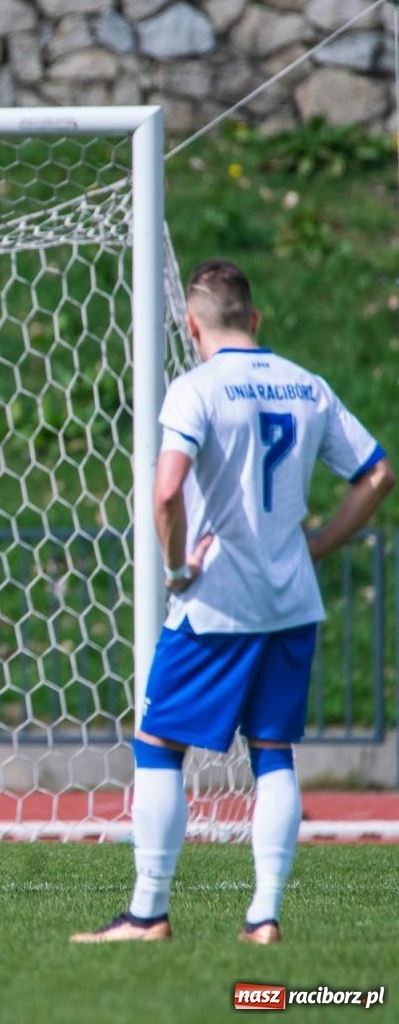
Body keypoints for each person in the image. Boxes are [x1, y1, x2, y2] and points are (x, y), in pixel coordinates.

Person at [73, 259, 392, 945]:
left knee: (159, 743)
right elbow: (377, 473)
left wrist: (176, 567)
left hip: (216, 601)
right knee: (272, 751)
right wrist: (319, 545)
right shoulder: (307, 386)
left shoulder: (197, 390)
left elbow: (166, 492)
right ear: (256, 318)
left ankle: (148, 912)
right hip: (291, 601)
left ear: (192, 326)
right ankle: (264, 917)